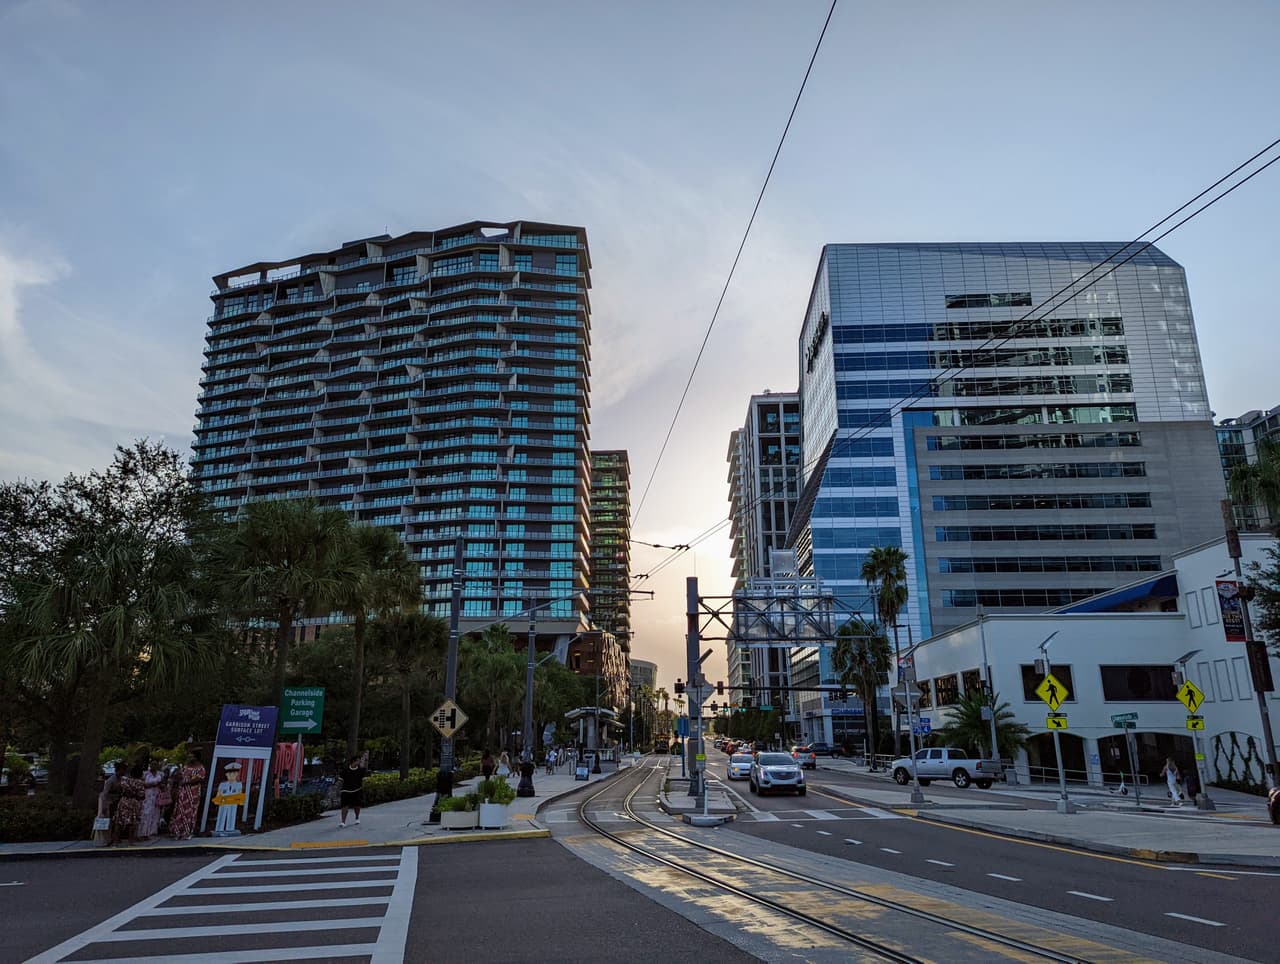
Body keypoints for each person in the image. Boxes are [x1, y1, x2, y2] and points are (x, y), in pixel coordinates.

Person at [169, 749, 206, 840]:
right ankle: (177, 831)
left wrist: (187, 781)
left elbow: (200, 778)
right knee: (180, 810)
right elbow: (179, 777)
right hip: (183, 792)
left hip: (193, 793)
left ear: (196, 757)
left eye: (191, 756)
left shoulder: (200, 768)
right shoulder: (185, 767)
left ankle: (188, 832)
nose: (189, 758)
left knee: (191, 811)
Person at [114, 765, 146, 845]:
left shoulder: (125, 780)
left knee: (119, 820)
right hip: (133, 802)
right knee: (132, 822)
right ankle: (131, 840)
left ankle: (116, 839)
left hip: (123, 800)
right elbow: (142, 795)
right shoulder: (140, 782)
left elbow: (119, 788)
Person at [213, 762, 244, 835]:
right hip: (223, 801)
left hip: (233, 802)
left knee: (232, 815)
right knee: (221, 814)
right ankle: (219, 828)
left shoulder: (238, 784)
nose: (232, 776)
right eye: (230, 774)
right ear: (226, 774)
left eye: (234, 773)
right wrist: (217, 801)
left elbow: (239, 793)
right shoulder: (222, 784)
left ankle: (230, 828)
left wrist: (241, 802)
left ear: (237, 774)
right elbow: (219, 793)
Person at [339, 753, 368, 828]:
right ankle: (343, 822)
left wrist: (363, 788)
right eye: (358, 761)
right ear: (353, 762)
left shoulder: (361, 770)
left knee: (357, 806)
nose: (359, 763)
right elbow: (340, 780)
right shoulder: (345, 770)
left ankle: (357, 817)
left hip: (357, 790)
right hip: (346, 790)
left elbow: (364, 780)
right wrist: (339, 790)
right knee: (344, 806)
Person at [138, 761, 165, 839]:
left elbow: (163, 784)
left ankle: (150, 832)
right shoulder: (145, 773)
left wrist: (161, 785)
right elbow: (142, 783)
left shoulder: (160, 774)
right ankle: (142, 833)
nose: (153, 766)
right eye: (152, 764)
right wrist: (152, 784)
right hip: (147, 795)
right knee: (145, 814)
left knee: (155, 814)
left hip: (156, 796)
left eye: (155, 764)